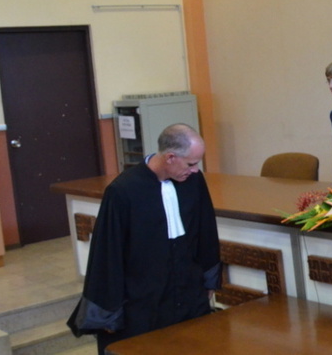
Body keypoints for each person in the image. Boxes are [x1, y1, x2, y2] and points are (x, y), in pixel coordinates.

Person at [67, 123, 221, 355]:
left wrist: (209, 280)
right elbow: (108, 254)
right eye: (191, 163)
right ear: (170, 157)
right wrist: (108, 311)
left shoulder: (194, 182)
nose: (196, 170)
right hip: (142, 298)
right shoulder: (123, 191)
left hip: (187, 292)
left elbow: (206, 230)